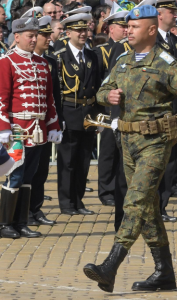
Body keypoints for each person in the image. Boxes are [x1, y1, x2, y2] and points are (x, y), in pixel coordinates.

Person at [84, 4, 177, 292]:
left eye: (134, 26)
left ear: (151, 30)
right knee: (148, 209)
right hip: (128, 143)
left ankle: (110, 266)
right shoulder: (123, 60)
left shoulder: (167, 64)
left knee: (135, 202)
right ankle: (164, 272)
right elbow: (101, 91)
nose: (128, 30)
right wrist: (111, 95)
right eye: (127, 26)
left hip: (155, 143)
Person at [0, 16, 62, 239]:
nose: (35, 39)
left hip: (37, 129)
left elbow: (49, 100)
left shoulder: (43, 63)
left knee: (29, 177)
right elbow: (1, 99)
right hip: (16, 130)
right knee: (14, 176)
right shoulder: (7, 62)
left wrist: (53, 124)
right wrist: (3, 127)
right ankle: (5, 223)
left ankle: (21, 222)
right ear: (16, 37)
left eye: (36, 36)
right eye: (30, 36)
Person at [53, 13, 102, 216]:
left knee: (83, 162)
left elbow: (98, 87)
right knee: (68, 162)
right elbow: (56, 90)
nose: (83, 34)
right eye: (78, 30)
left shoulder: (92, 55)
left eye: (85, 30)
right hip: (69, 112)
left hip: (88, 114)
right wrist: (58, 118)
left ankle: (78, 201)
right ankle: (66, 203)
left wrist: (98, 115)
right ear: (68, 32)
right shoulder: (60, 55)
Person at [154, 0, 177, 222]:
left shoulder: (176, 42)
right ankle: (153, 207)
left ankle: (162, 206)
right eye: (171, 12)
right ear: (159, 14)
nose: (175, 15)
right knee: (157, 160)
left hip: (174, 110)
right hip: (157, 108)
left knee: (172, 160)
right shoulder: (151, 39)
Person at [28, 16, 63, 227]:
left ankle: (36, 208)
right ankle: (22, 211)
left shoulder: (50, 61)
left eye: (49, 35)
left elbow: (55, 96)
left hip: (45, 123)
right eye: (44, 35)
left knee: (42, 169)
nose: (48, 39)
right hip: (25, 125)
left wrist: (58, 121)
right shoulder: (19, 60)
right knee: (25, 171)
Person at [93, 10, 129, 207]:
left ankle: (117, 188)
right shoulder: (102, 51)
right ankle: (105, 189)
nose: (125, 30)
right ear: (111, 28)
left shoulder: (130, 48)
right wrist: (99, 111)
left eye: (127, 26)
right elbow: (98, 82)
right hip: (107, 108)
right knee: (108, 152)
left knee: (121, 153)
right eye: (122, 26)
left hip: (122, 109)